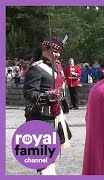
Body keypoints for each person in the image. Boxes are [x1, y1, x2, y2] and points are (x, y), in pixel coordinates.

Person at [23, 36, 72, 175]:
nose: (57, 55)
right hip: (41, 115)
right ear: (45, 49)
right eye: (55, 51)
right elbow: (29, 94)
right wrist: (48, 97)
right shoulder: (36, 69)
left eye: (59, 52)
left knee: (54, 150)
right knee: (43, 155)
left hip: (56, 113)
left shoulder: (57, 67)